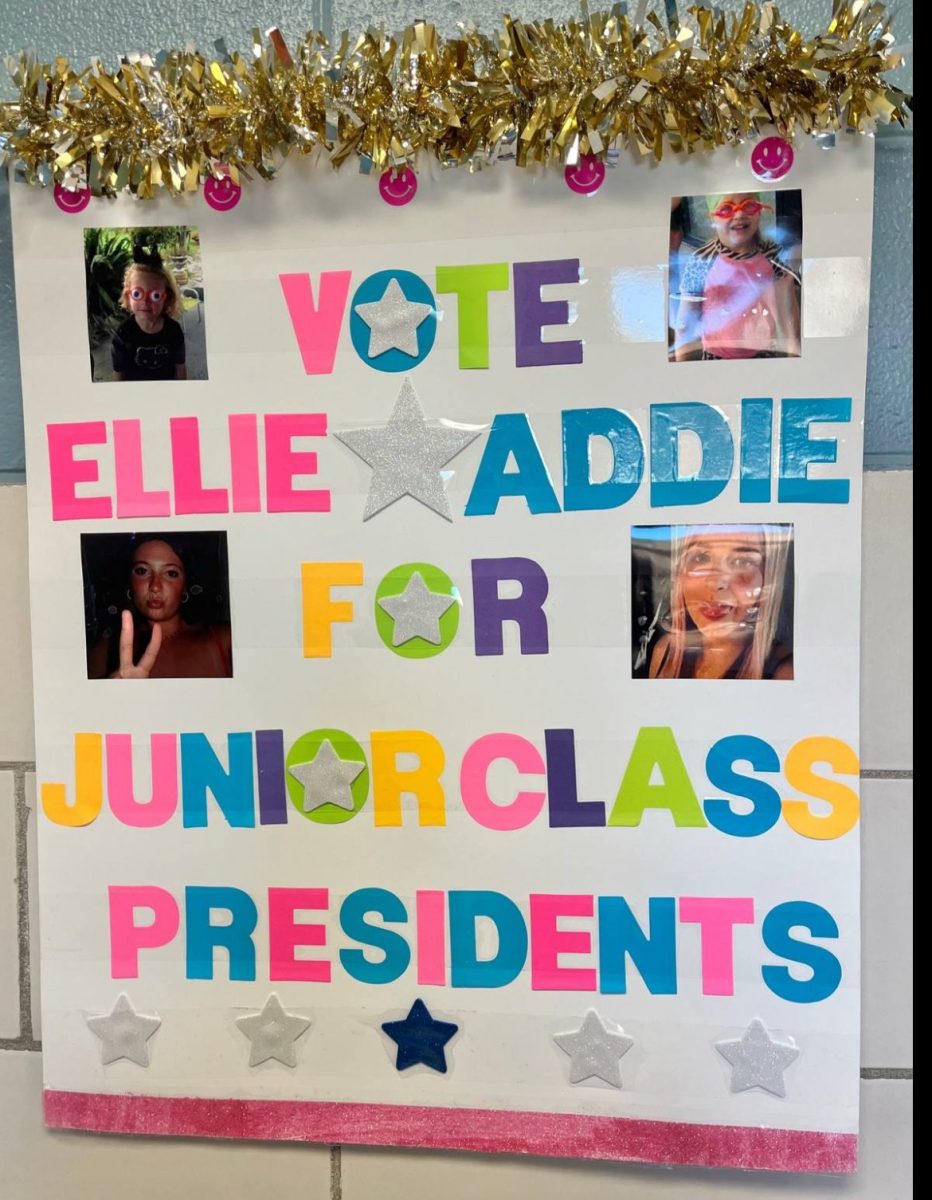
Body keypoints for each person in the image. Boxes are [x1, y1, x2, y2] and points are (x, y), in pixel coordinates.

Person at [648, 526, 793, 680]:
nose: (716, 583)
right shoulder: (666, 651)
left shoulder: (785, 673)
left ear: (767, 577)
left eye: (741, 561)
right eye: (700, 558)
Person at [670, 193, 801, 362]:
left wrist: (794, 352)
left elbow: (788, 310)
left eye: (749, 206)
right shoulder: (702, 261)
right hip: (716, 357)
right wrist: (683, 367)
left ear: (760, 212)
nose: (739, 215)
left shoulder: (773, 255)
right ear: (713, 218)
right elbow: (686, 323)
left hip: (762, 354)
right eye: (726, 209)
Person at [88, 537, 232, 679]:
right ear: (130, 583)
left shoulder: (226, 641)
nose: (155, 586)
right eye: (142, 571)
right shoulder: (108, 651)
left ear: (185, 587)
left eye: (171, 573)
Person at [111, 247, 187, 381]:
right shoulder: (123, 334)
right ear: (128, 296)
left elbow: (180, 367)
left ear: (167, 297)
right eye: (137, 294)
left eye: (155, 295)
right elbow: (118, 374)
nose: (145, 301)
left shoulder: (174, 331)